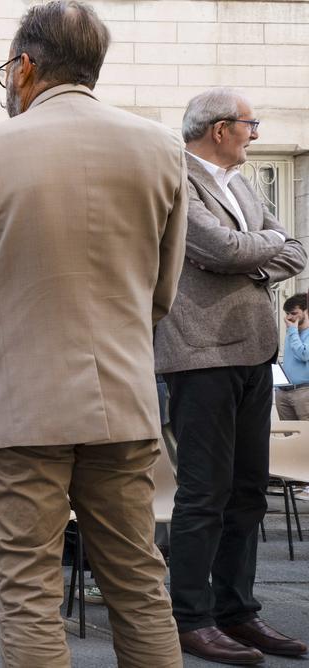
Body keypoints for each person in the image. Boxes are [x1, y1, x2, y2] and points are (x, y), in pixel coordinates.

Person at [0, 2, 189, 665]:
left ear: (27, 67)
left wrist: (0, 356)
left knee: (28, 594)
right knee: (139, 584)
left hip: (21, 408)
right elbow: (162, 292)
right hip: (124, 402)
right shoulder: (162, 148)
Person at [155, 87, 308, 664]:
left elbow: (295, 250)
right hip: (199, 354)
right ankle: (190, 618)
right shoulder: (175, 178)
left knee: (248, 490)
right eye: (250, 123)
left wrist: (254, 249)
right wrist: (260, 248)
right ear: (220, 129)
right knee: (204, 491)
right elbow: (217, 246)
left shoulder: (241, 183)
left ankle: (236, 612)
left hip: (252, 352)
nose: (256, 134)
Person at [276, 293, 309, 420]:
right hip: (282, 392)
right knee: (288, 436)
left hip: (304, 392)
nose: (289, 317)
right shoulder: (292, 332)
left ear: (306, 311)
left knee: (306, 436)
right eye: (287, 313)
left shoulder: (293, 331)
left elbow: (304, 355)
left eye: (294, 313)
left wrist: (293, 331)